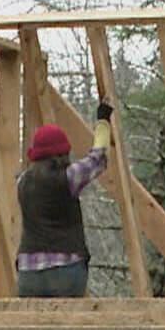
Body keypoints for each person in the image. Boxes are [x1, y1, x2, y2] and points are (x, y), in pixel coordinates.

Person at [15, 103, 113, 297]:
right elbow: (97, 158)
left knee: (33, 318)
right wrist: (103, 122)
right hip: (66, 268)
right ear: (62, 154)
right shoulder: (68, 178)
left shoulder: (22, 182)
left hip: (28, 272)